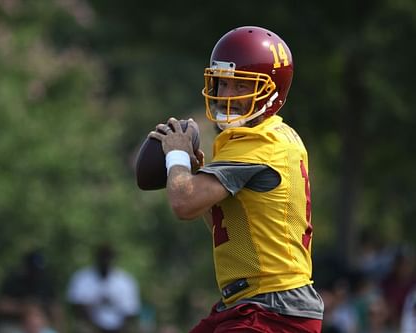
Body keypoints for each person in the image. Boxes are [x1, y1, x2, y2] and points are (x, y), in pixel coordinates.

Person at [149, 26, 324, 332]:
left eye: (240, 85)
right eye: (223, 84)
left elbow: (182, 204)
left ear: (272, 89)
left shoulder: (259, 145)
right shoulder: (271, 136)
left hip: (273, 311)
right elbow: (224, 223)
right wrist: (200, 179)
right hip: (252, 304)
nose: (227, 95)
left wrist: (175, 156)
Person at [66, 243, 141, 333]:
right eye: (103, 257)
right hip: (91, 326)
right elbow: (76, 306)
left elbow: (131, 312)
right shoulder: (82, 278)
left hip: (119, 328)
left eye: (108, 258)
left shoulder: (125, 281)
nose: (105, 261)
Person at [0, 250, 63, 333]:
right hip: (13, 324)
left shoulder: (45, 283)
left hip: (39, 325)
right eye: (33, 269)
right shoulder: (13, 282)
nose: (35, 274)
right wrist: (23, 307)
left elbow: (56, 309)